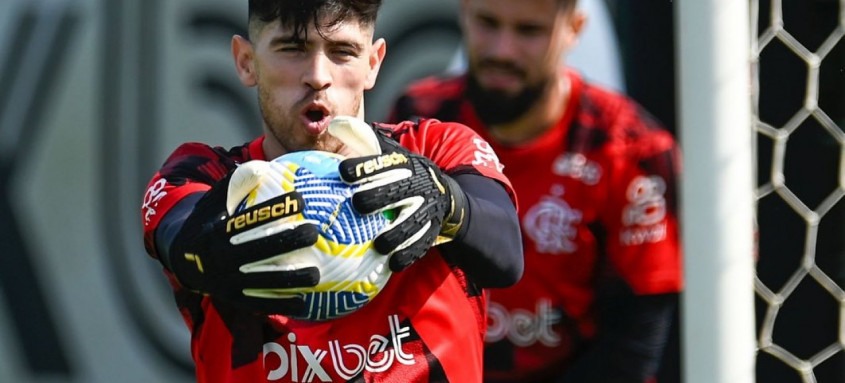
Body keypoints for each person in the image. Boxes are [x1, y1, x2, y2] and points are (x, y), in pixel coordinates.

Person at [139, 0, 523, 382]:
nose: (318, 76)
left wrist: (448, 203)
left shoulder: (435, 150)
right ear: (246, 61)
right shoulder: (202, 174)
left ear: (373, 63)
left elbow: (505, 253)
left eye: (343, 52)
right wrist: (203, 250)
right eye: (293, 48)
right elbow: (180, 235)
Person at [387, 0, 683, 382]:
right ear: (463, 12)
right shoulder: (417, 119)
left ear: (574, 29)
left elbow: (635, 344)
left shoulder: (633, 152)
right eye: (487, 22)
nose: (501, 50)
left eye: (529, 31)